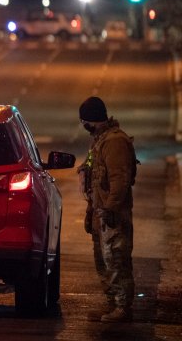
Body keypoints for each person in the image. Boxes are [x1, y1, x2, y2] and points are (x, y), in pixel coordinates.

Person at [77, 96, 136, 323]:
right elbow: (92, 166)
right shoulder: (100, 140)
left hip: (113, 215)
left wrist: (110, 209)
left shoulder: (114, 142)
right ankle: (112, 304)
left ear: (91, 120)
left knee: (116, 259)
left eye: (84, 121)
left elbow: (119, 180)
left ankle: (123, 307)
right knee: (103, 260)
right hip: (100, 212)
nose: (83, 126)